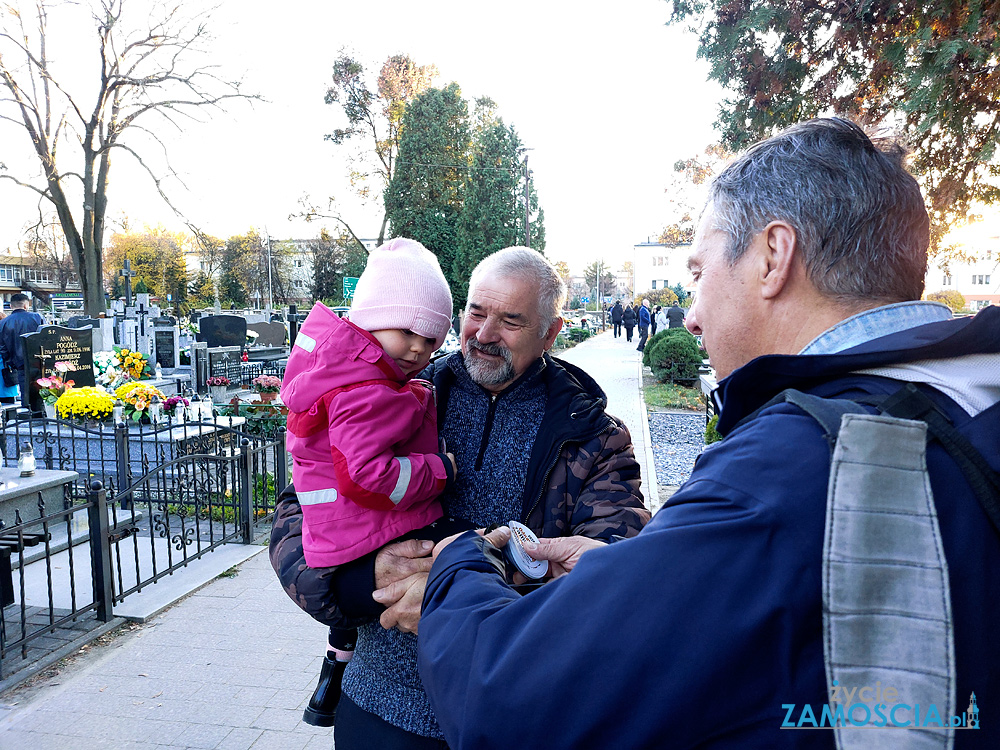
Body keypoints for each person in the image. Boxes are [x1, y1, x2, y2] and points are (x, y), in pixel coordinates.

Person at [417, 118, 1000, 748]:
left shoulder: (787, 470)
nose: (691, 316)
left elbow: (507, 702)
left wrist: (457, 562)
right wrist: (629, 571)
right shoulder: (967, 402)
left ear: (774, 256)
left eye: (698, 273)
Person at [269, 246, 650, 748]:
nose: (484, 335)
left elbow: (616, 568)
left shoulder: (594, 435)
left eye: (511, 321)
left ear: (550, 333)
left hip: (512, 716)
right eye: (476, 312)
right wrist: (364, 583)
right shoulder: (392, 391)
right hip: (383, 705)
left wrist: (465, 586)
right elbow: (298, 510)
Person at [280, 238, 463, 728]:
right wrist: (440, 469)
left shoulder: (345, 371)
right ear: (370, 319)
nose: (421, 348)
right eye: (408, 331)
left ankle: (332, 673)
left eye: (433, 339)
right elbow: (367, 475)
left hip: (335, 527)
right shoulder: (369, 389)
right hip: (361, 525)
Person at [0, 293, 43, 409]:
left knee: (25, 391)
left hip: (18, 363)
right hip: (39, 360)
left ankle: (28, 413)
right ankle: (41, 413)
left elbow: (2, 347)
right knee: (42, 389)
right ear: (26, 305)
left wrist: (10, 362)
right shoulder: (37, 317)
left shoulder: (3, 323)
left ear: (10, 306)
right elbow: (45, 338)